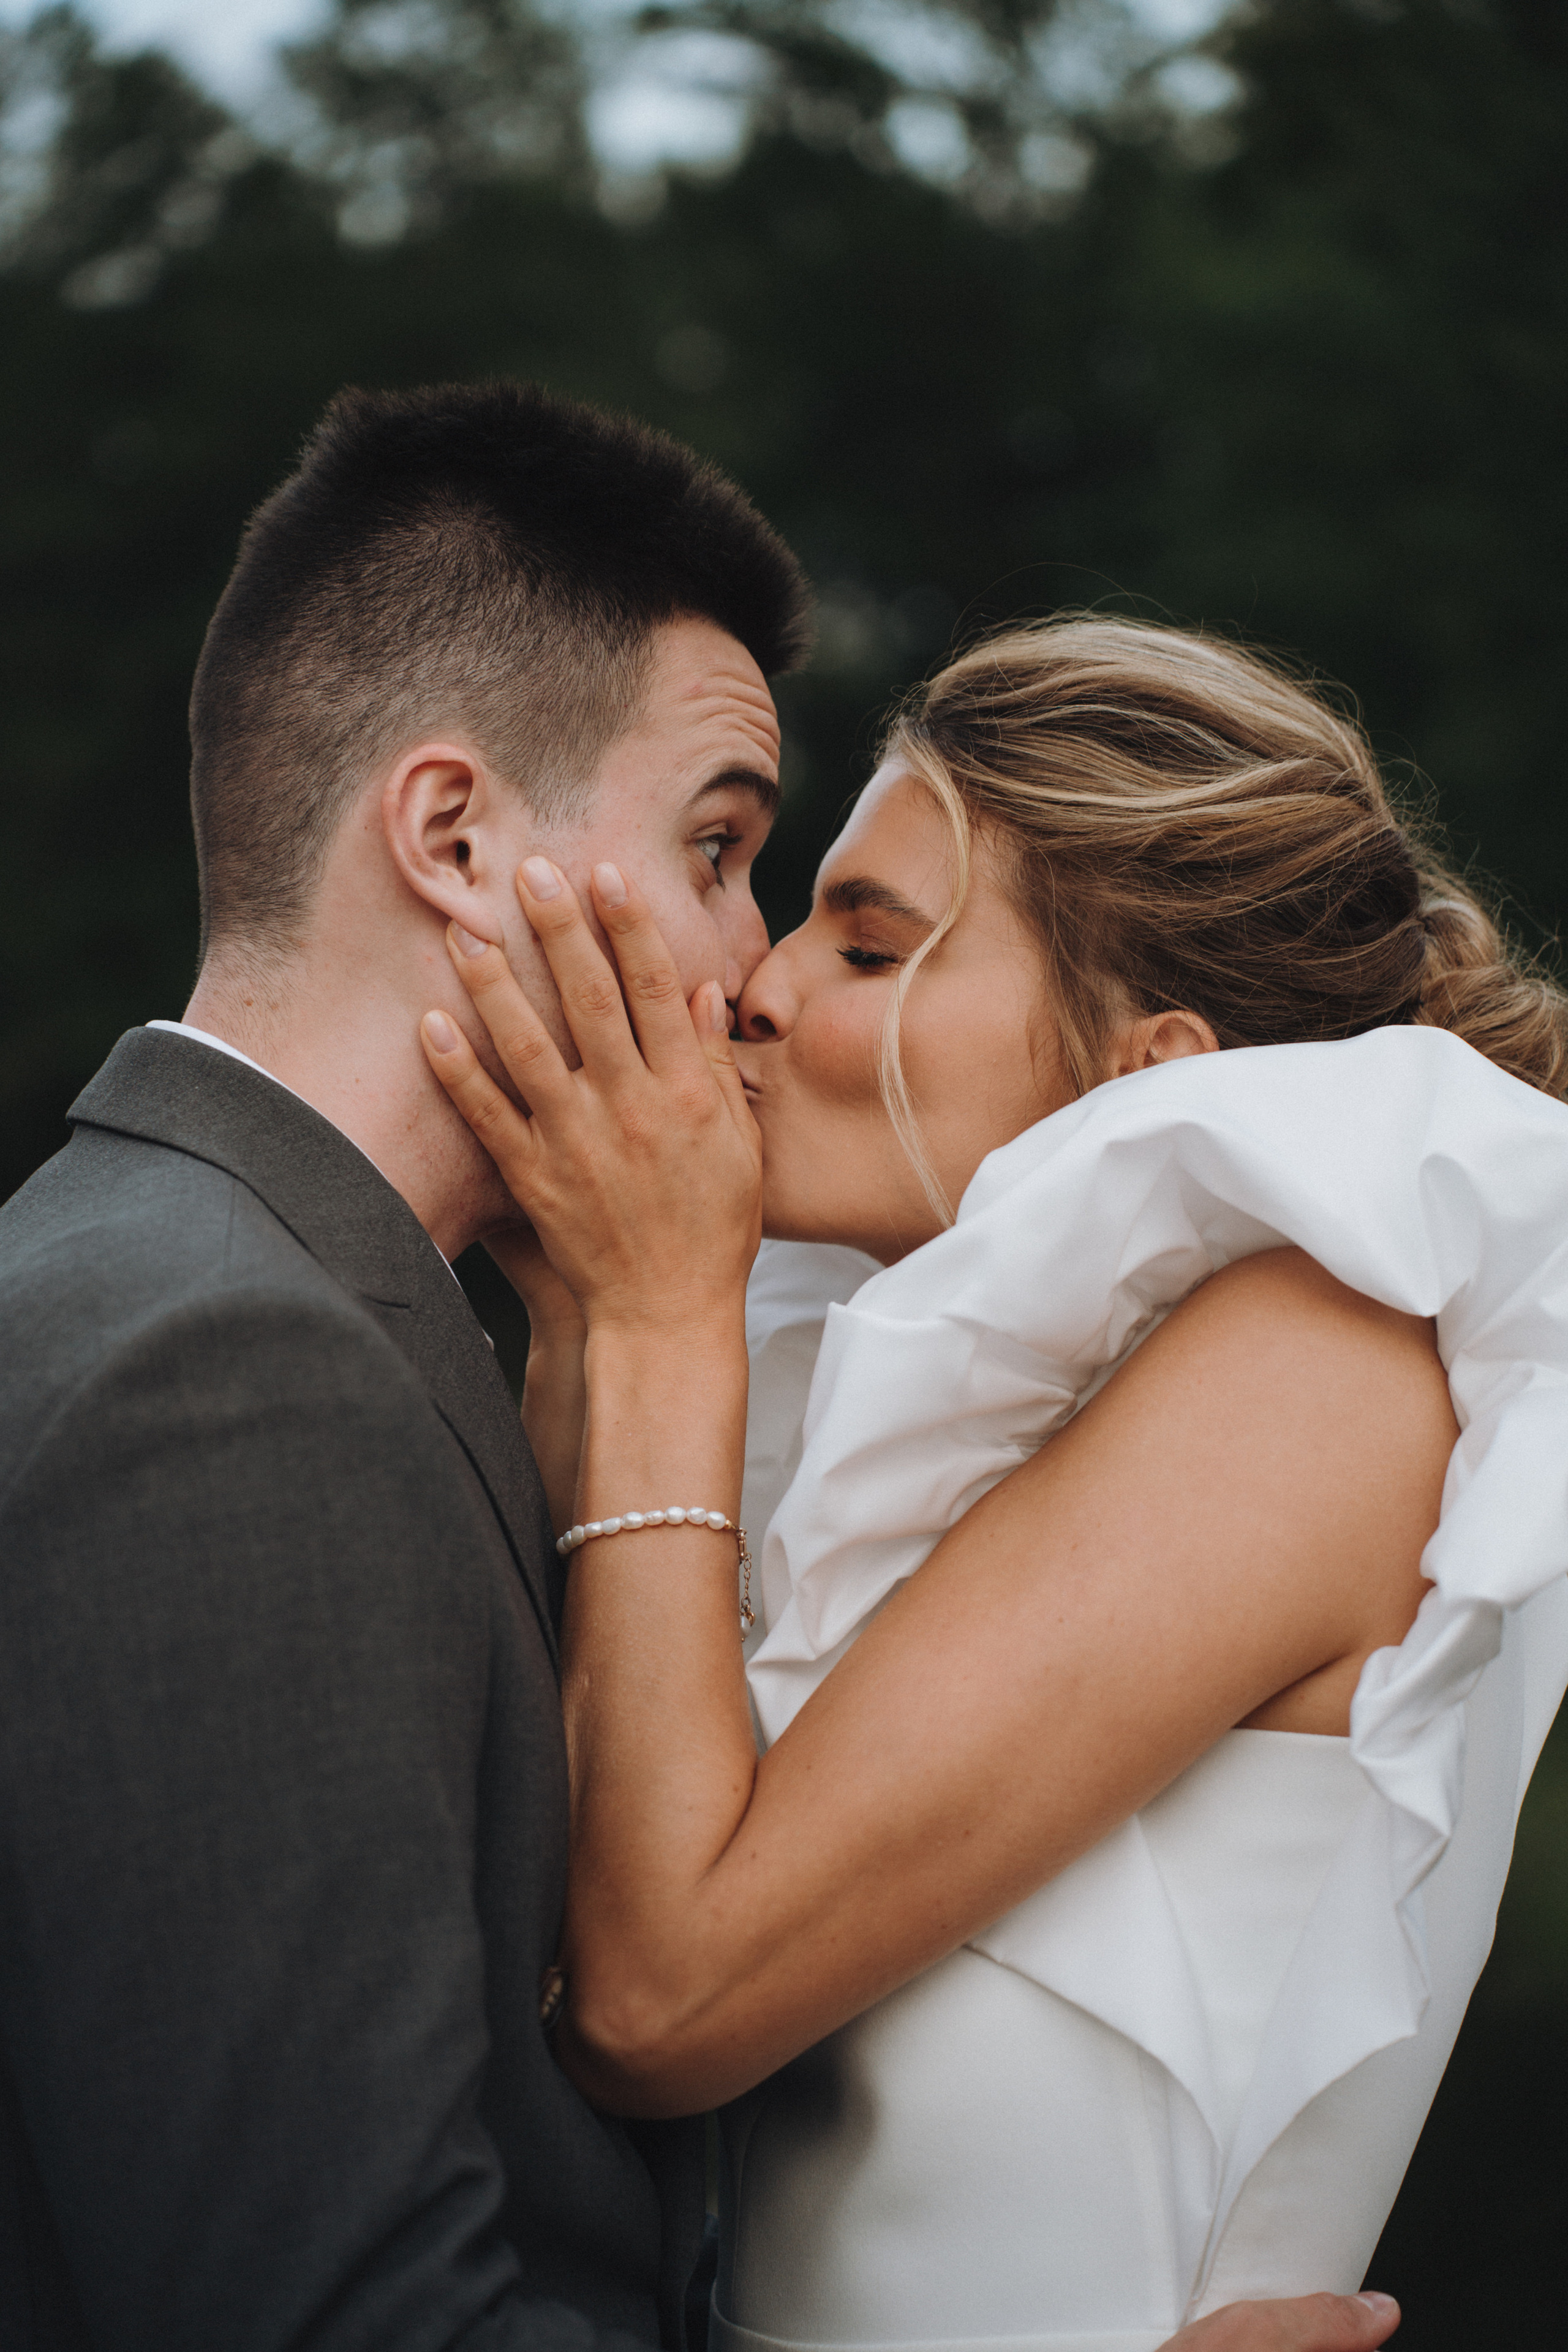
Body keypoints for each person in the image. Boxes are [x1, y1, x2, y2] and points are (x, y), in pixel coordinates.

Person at [0, 380, 1382, 2352]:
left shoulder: (217, 1291)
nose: (750, 971)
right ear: (458, 839)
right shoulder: (226, 1375)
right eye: (724, 848)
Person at [422, 617, 1568, 2352]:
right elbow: (552, 1925)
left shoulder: (1326, 1373)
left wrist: (657, 1318)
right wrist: (586, 1319)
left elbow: (657, 2004)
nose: (760, 987)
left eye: (871, 950)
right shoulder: (1017, 1422)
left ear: (1150, 1073)